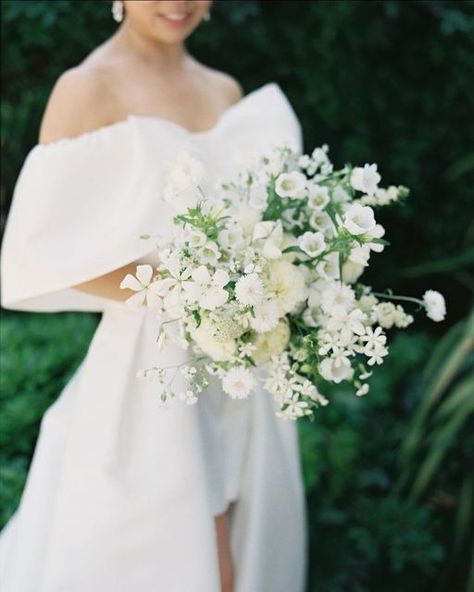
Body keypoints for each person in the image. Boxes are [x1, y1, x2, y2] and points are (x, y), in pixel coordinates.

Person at [0, 1, 307, 591]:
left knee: (246, 550)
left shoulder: (225, 91)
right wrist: (189, 291)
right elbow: (42, 252)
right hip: (155, 365)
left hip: (245, 365)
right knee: (191, 560)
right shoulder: (86, 89)